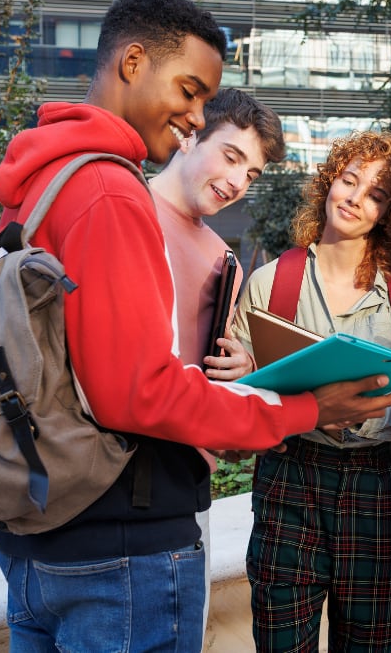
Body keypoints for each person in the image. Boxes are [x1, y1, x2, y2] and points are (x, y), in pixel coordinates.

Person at [0, 0, 391, 652]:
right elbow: (137, 392)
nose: (191, 116)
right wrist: (305, 408)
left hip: (42, 525)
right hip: (122, 533)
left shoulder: (52, 183)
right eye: (189, 94)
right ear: (132, 63)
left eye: (253, 171)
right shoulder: (111, 194)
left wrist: (247, 386)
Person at [231, 131, 391, 652]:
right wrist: (241, 372)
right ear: (328, 182)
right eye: (349, 180)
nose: (355, 198)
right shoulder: (270, 283)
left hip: (378, 483)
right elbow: (238, 397)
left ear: (389, 213)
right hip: (290, 478)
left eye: (376, 195)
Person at [148, 87, 287, 640]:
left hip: (186, 485)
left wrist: (242, 368)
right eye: (231, 157)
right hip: (107, 480)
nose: (236, 182)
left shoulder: (223, 259)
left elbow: (213, 368)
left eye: (250, 174)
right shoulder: (123, 211)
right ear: (189, 137)